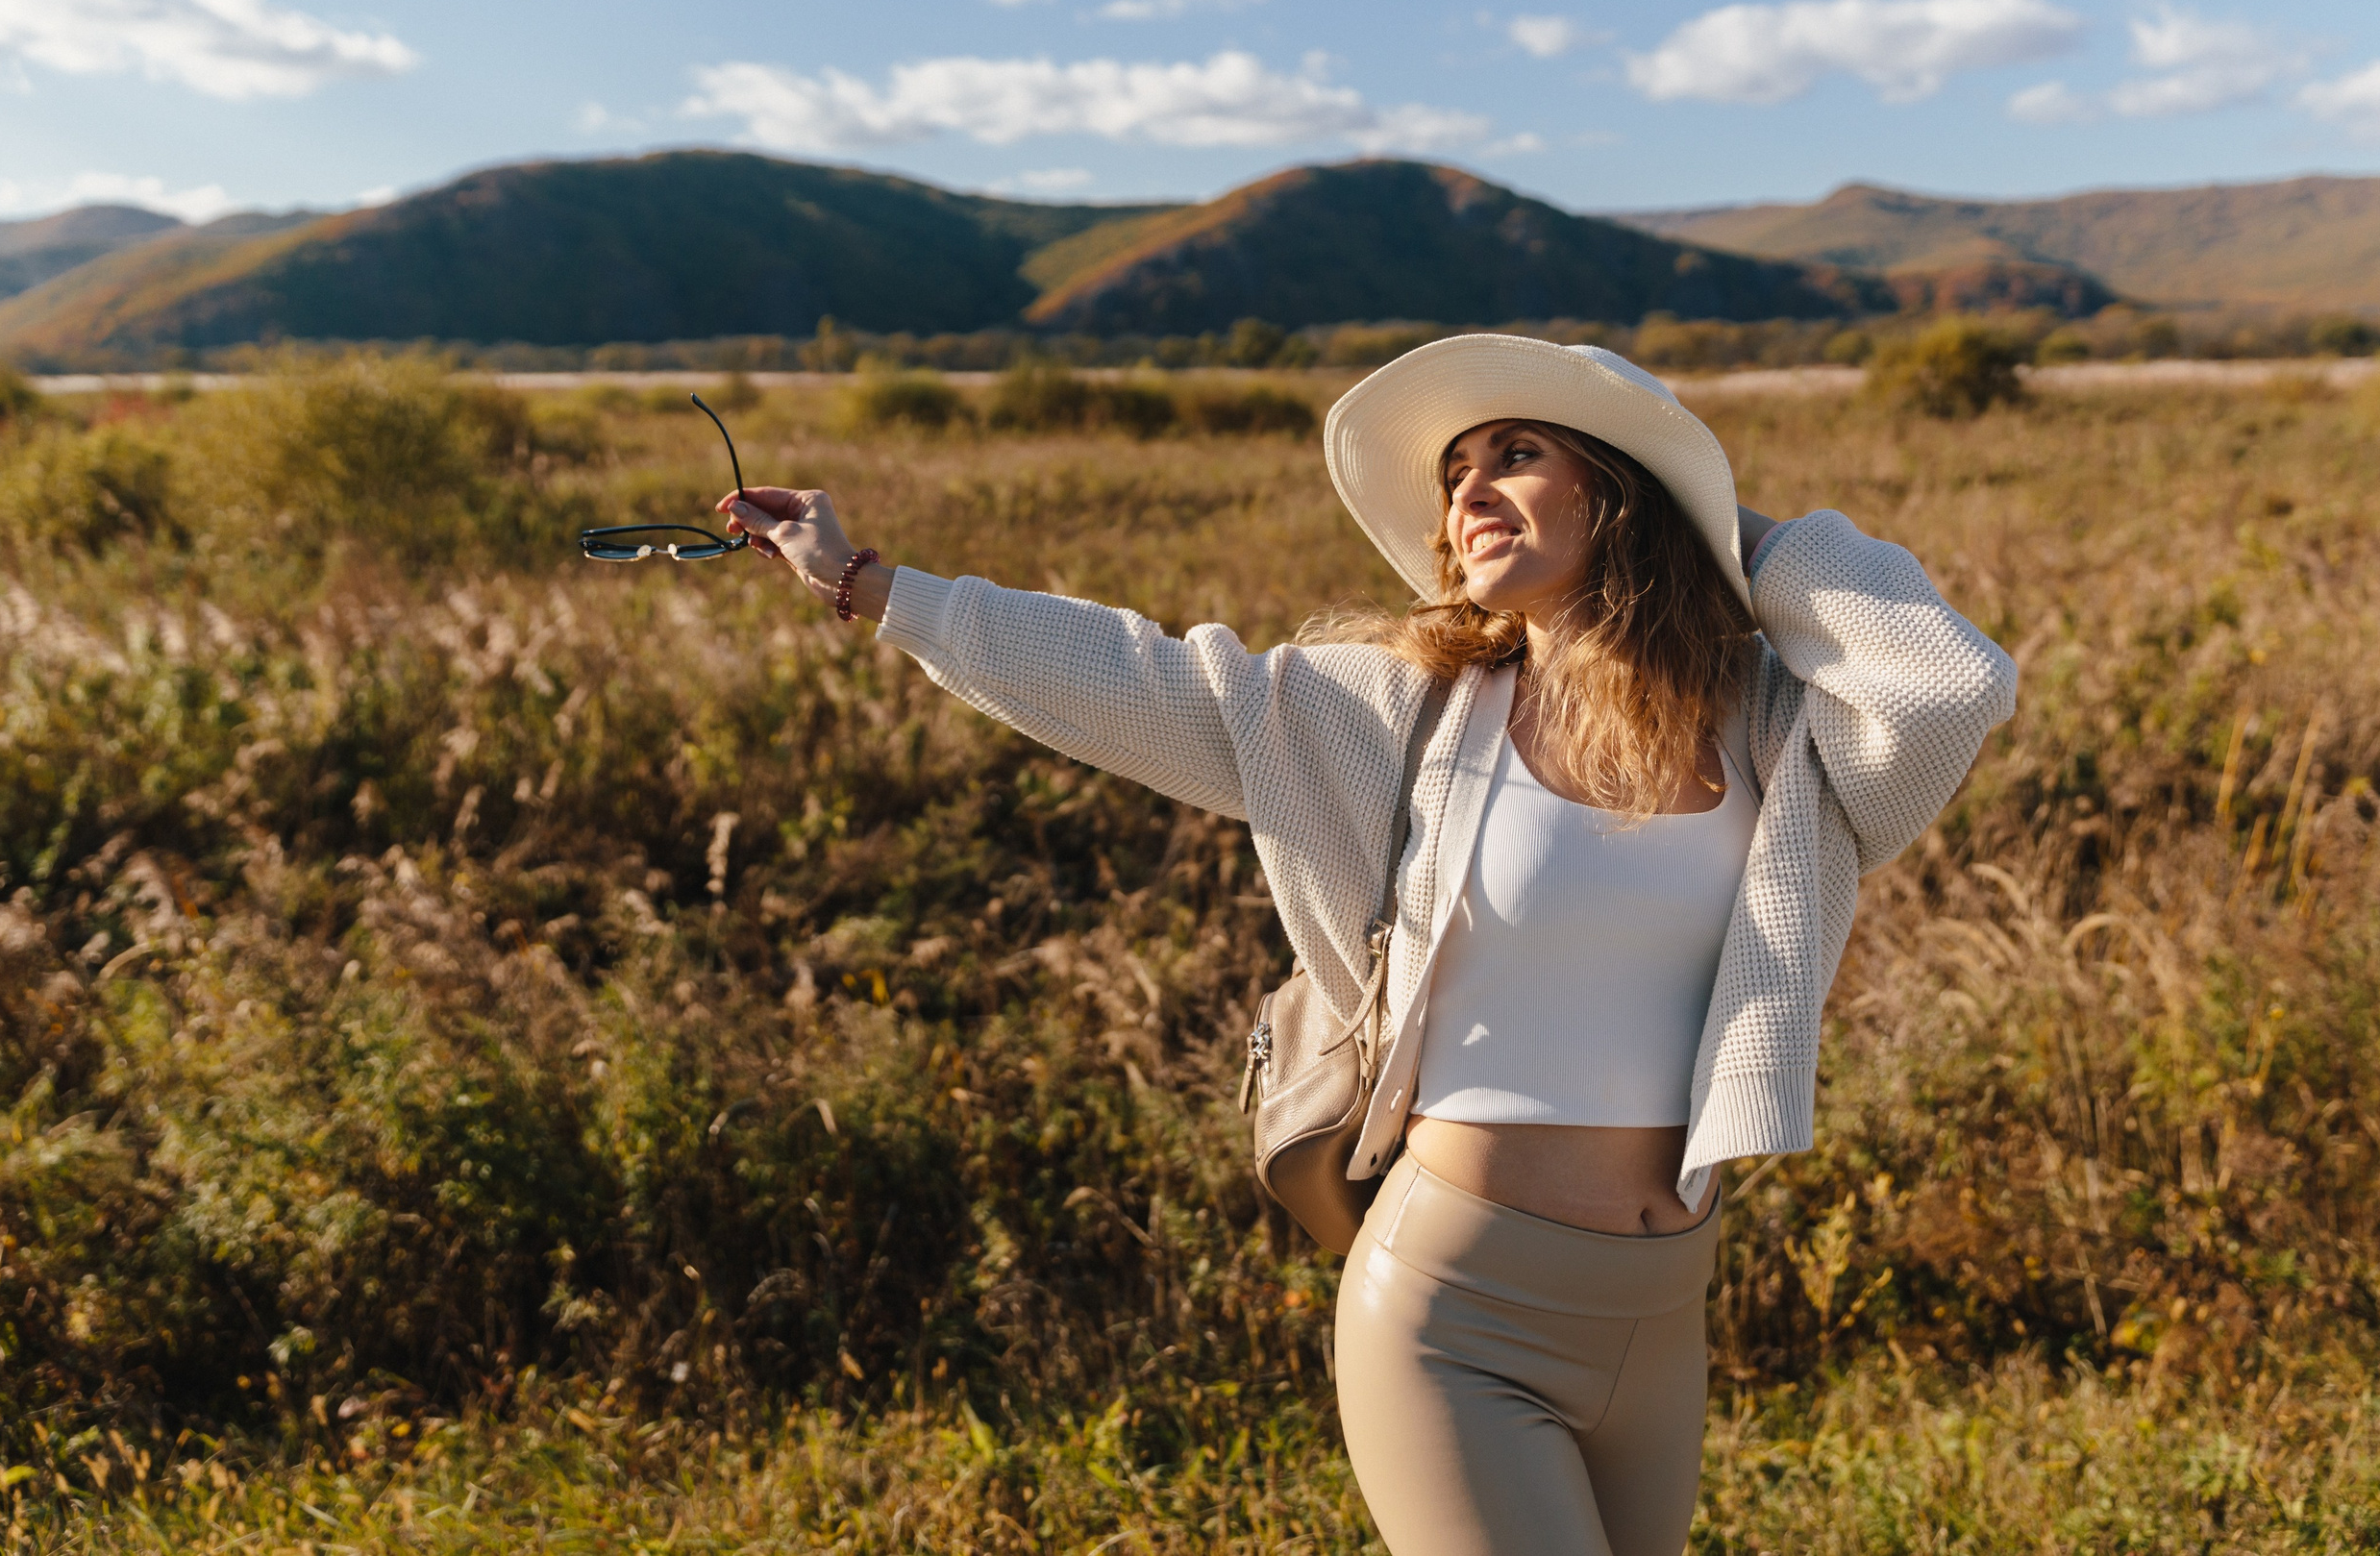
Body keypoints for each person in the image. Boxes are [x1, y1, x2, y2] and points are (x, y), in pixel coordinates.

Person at [717, 335, 2016, 1556]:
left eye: (1515, 455)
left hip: (1666, 1308)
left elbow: (1946, 682)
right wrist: (872, 586)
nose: (1466, 497)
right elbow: (1138, 678)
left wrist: (1722, 527)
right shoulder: (1405, 710)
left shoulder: (1776, 734)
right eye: (1455, 476)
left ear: (1622, 494)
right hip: (1461, 1305)